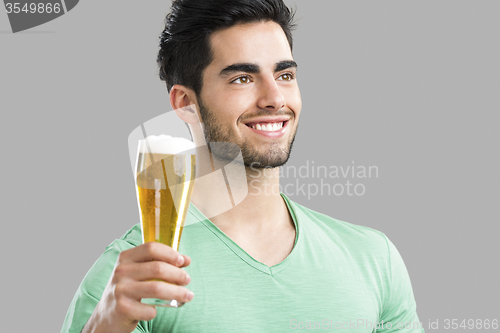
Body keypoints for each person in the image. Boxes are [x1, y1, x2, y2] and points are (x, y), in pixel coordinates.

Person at [62, 0, 424, 332]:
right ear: (186, 103)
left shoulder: (374, 259)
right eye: (242, 78)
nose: (274, 98)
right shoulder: (132, 279)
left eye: (284, 75)